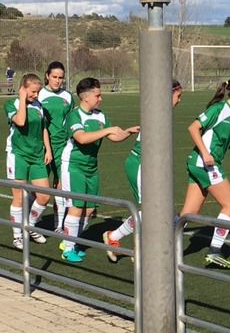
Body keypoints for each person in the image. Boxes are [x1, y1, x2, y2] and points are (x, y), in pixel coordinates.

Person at [102, 79, 183, 262]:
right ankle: (113, 237)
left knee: (161, 207)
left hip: (151, 166)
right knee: (150, 209)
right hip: (140, 164)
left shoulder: (162, 114)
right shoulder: (158, 115)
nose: (179, 100)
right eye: (178, 96)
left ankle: (140, 247)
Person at [59, 78, 138, 263]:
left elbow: (114, 136)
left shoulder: (100, 116)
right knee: (77, 207)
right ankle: (67, 248)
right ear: (86, 97)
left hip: (91, 167)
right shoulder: (74, 116)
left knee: (90, 210)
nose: (100, 98)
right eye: (98, 95)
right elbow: (82, 138)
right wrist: (108, 130)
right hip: (73, 166)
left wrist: (128, 131)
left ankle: (74, 241)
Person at [178, 74, 230, 269]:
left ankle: (158, 246)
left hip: (203, 163)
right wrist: (205, 153)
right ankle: (215, 251)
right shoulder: (218, 109)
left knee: (189, 213)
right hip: (204, 163)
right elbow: (193, 128)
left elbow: (228, 144)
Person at [4, 74, 52, 250]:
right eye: (33, 91)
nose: (37, 95)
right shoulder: (12, 105)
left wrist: (48, 149)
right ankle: (18, 236)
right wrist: (23, 99)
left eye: (38, 91)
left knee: (44, 195)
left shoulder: (39, 106)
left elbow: (43, 128)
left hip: (37, 156)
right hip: (18, 156)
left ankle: (30, 225)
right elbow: (21, 121)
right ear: (23, 89)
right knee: (19, 196)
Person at [38, 61, 75, 234]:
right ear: (47, 76)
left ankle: (58, 224)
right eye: (54, 77)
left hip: (62, 146)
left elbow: (70, 121)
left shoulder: (68, 97)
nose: (57, 81)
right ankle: (30, 220)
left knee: (60, 185)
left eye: (61, 77)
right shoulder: (38, 94)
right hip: (41, 146)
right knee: (40, 188)